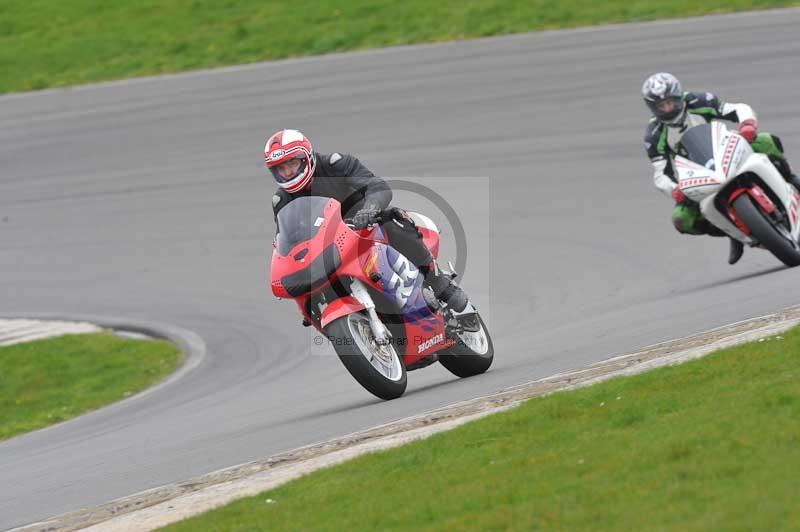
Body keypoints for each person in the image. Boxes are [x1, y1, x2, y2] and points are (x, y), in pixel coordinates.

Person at [266, 129, 468, 312]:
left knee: (391, 218)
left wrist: (369, 209)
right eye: (281, 168)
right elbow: (289, 242)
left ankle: (437, 280)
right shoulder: (281, 201)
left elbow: (377, 186)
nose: (288, 172)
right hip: (330, 249)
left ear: (306, 157)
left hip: (364, 225)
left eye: (292, 163)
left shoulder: (336, 165)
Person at [642, 72, 800, 265]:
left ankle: (792, 180)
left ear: (678, 96)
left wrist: (747, 124)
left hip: (723, 149)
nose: (668, 108)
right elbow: (660, 173)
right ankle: (732, 233)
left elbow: (736, 109)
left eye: (671, 102)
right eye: (661, 105)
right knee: (682, 219)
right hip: (695, 174)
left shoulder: (699, 100)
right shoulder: (654, 135)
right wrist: (674, 189)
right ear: (652, 107)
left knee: (766, 141)